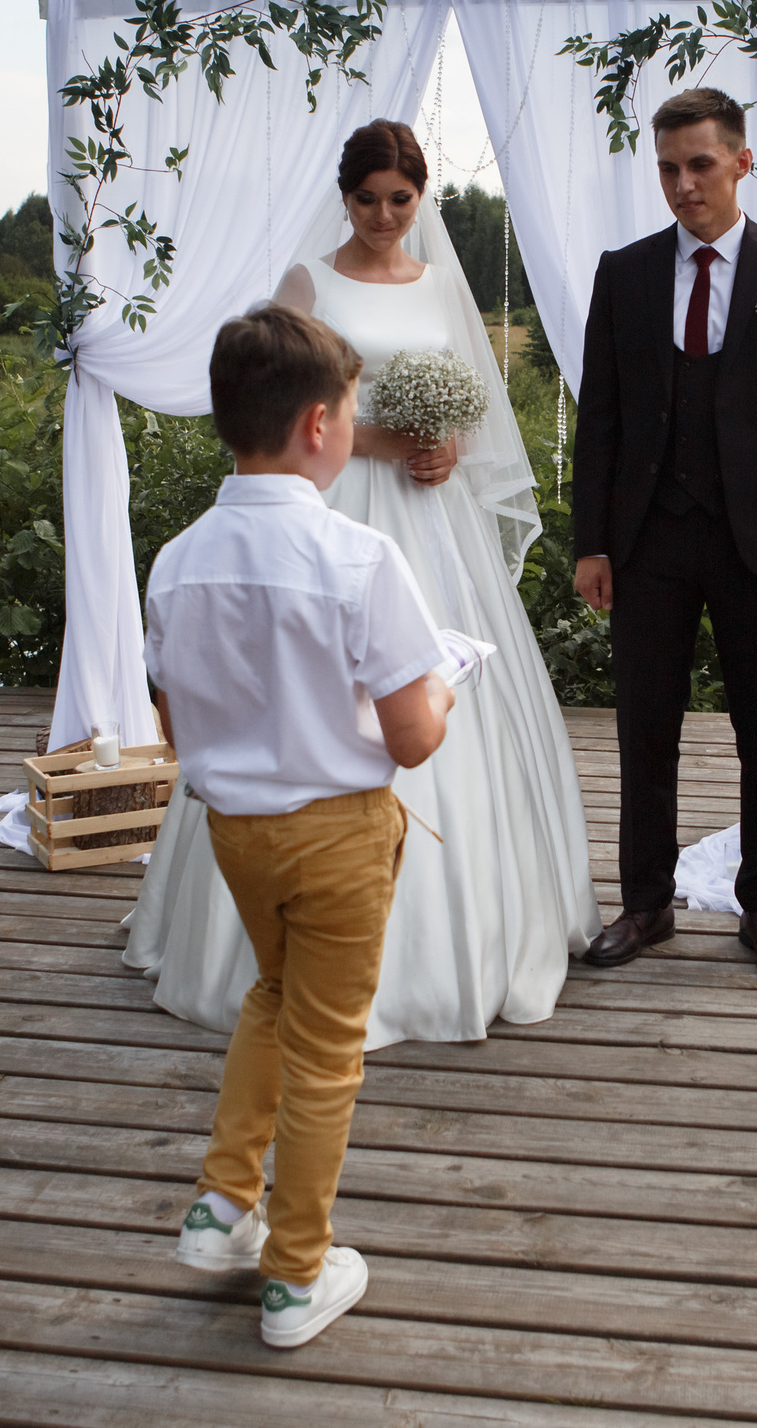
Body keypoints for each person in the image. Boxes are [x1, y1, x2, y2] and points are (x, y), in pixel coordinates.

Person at [125, 120, 594, 1048]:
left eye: (401, 198)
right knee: (320, 680)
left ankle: (470, 925)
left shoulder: (442, 284)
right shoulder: (310, 284)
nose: (384, 214)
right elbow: (285, 403)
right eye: (368, 197)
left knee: (429, 673)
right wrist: (377, 441)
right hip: (335, 499)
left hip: (429, 509)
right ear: (344, 199)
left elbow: (475, 397)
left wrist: (447, 445)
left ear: (422, 201)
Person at [151, 305, 453, 1347]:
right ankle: (293, 1274)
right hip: (336, 836)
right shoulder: (356, 558)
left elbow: (171, 714)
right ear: (321, 426)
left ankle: (220, 1205)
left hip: (235, 833)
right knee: (329, 1050)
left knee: (275, 998)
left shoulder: (176, 561)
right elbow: (413, 738)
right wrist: (448, 684)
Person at [570, 86, 757, 983]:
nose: (682, 185)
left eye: (698, 164)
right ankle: (645, 904)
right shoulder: (627, 272)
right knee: (645, 728)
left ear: (740, 162)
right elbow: (600, 419)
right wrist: (593, 541)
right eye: (667, 168)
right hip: (648, 540)